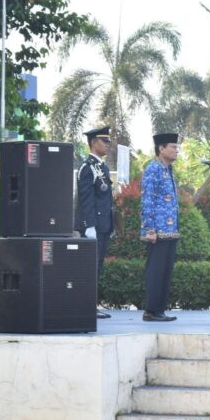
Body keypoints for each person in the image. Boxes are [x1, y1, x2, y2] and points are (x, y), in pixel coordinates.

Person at [140, 132, 181, 322]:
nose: (176, 150)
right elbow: (147, 200)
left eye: (177, 147)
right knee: (156, 271)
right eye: (173, 147)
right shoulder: (153, 169)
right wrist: (149, 229)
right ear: (161, 148)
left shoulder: (169, 169)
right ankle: (151, 310)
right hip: (157, 230)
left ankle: (160, 310)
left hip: (170, 230)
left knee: (166, 272)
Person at [77, 127, 115, 319]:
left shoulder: (103, 167)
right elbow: (86, 199)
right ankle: (86, 305)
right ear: (93, 143)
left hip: (104, 225)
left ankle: (91, 304)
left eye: (108, 141)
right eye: (103, 141)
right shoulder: (88, 167)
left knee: (98, 266)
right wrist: (89, 225)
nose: (107, 145)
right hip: (94, 226)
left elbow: (106, 199)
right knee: (90, 267)